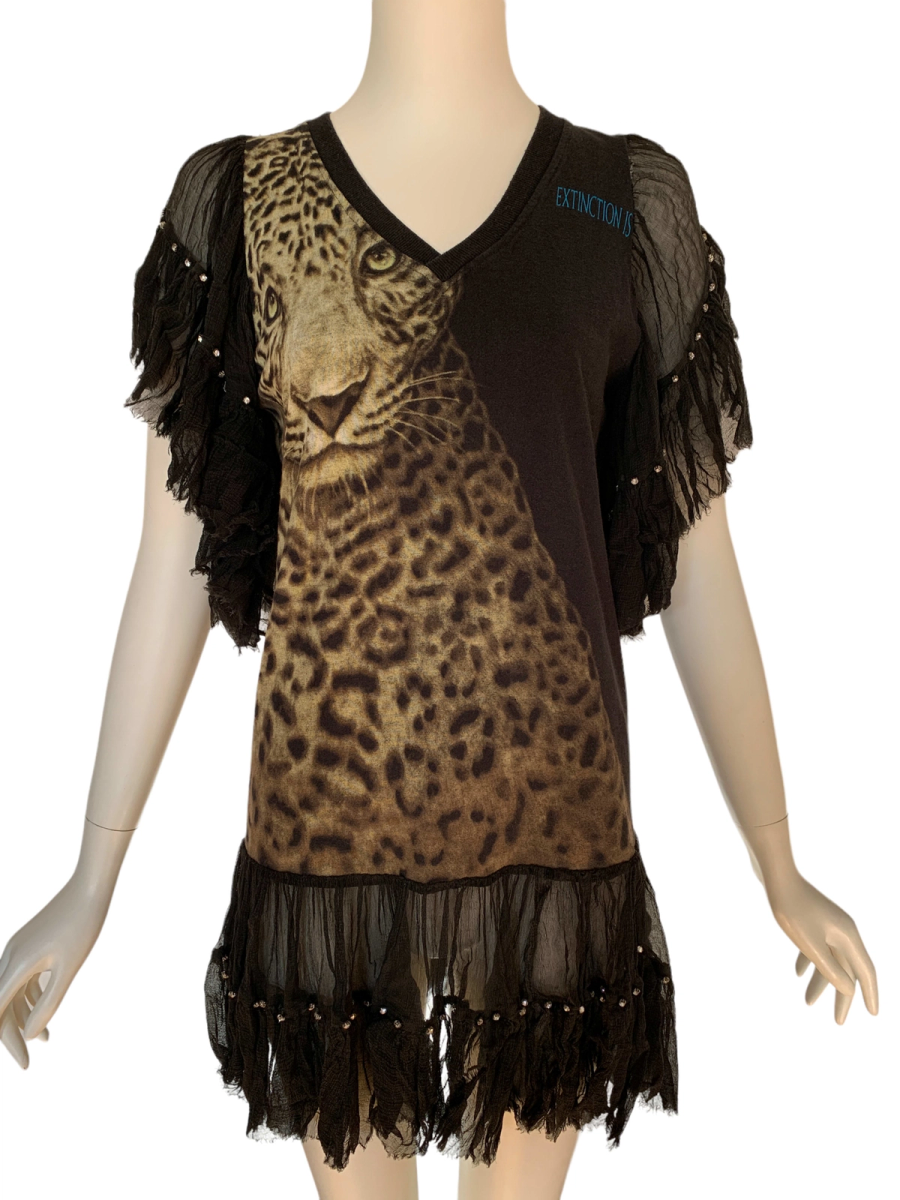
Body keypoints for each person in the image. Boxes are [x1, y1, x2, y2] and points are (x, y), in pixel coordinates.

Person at [0, 3, 878, 1200]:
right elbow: (172, 559)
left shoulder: (626, 203)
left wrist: (779, 861)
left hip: (555, 835)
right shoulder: (237, 200)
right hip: (325, 835)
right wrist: (90, 878)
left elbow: (698, 555)